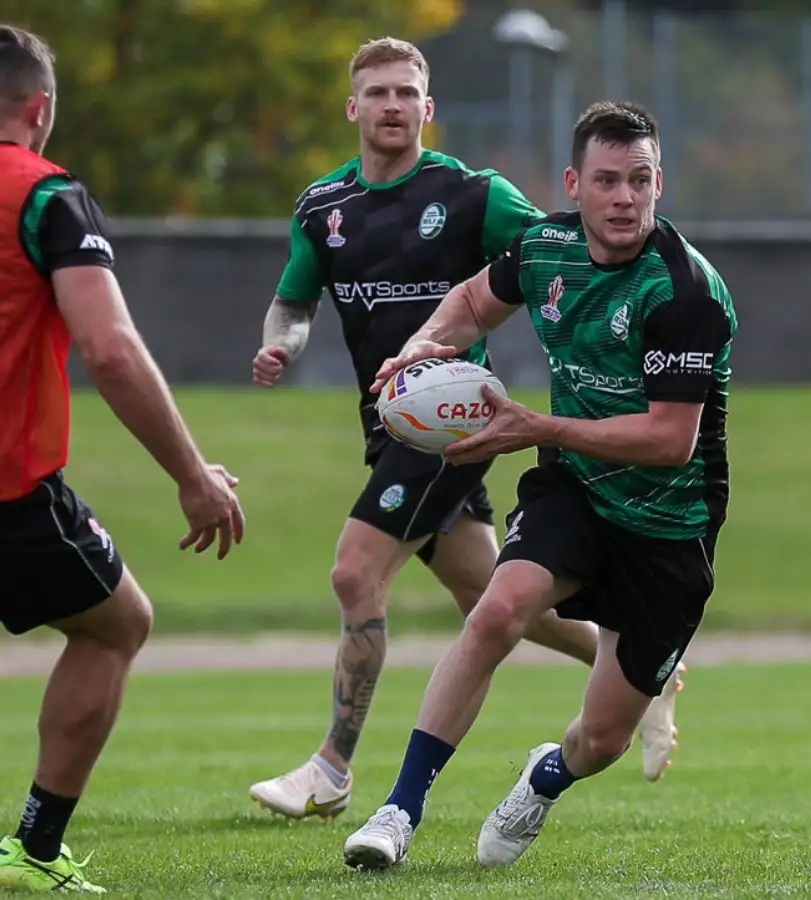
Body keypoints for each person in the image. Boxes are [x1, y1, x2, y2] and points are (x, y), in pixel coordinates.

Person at [247, 40, 685, 822]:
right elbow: (295, 301)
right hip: (387, 427)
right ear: (353, 108)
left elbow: (562, 240)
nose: (391, 105)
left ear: (428, 107)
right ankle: (646, 674)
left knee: (355, 572)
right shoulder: (322, 208)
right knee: (495, 603)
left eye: (406, 92)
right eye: (376, 92)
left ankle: (332, 768)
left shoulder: (474, 194)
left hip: (455, 427)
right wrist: (283, 342)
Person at [341, 99, 737, 871]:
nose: (625, 198)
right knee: (498, 609)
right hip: (576, 493)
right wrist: (422, 350)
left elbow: (668, 439)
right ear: (574, 184)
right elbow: (468, 304)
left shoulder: (685, 292)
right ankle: (398, 811)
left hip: (667, 528)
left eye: (641, 180)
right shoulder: (543, 248)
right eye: (608, 181)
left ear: (661, 185)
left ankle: (545, 776)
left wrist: (537, 427)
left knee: (600, 740)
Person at [0, 25, 244, 894]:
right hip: (8, 492)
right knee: (116, 623)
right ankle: (32, 849)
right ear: (42, 108)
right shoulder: (46, 195)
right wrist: (192, 475)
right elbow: (109, 349)